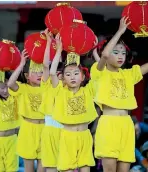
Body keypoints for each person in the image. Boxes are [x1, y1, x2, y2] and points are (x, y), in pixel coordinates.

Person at [93, 16, 148, 172]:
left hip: (126, 124)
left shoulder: (129, 74)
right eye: (116, 52)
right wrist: (120, 31)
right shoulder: (99, 72)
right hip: (108, 124)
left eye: (123, 53)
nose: (120, 56)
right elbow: (104, 55)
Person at [49, 33, 98, 172]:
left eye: (76, 73)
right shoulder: (60, 91)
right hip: (67, 136)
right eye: (68, 74)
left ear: (82, 77)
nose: (72, 77)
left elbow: (99, 73)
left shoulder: (88, 91)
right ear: (63, 78)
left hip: (84, 135)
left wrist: (94, 52)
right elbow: (52, 73)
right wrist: (59, 50)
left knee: (85, 168)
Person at [7, 48, 47, 172]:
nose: (39, 74)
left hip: (45, 128)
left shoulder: (47, 87)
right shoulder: (23, 88)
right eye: (35, 72)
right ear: (26, 76)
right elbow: (10, 84)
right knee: (28, 169)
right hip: (28, 129)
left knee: (43, 166)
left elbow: (48, 69)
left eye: (41, 72)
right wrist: (21, 64)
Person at [38, 29, 64, 172]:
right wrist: (50, 42)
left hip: (67, 129)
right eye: (58, 73)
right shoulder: (47, 84)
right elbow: (46, 65)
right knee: (51, 167)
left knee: (67, 167)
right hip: (50, 128)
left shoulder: (69, 86)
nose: (59, 76)